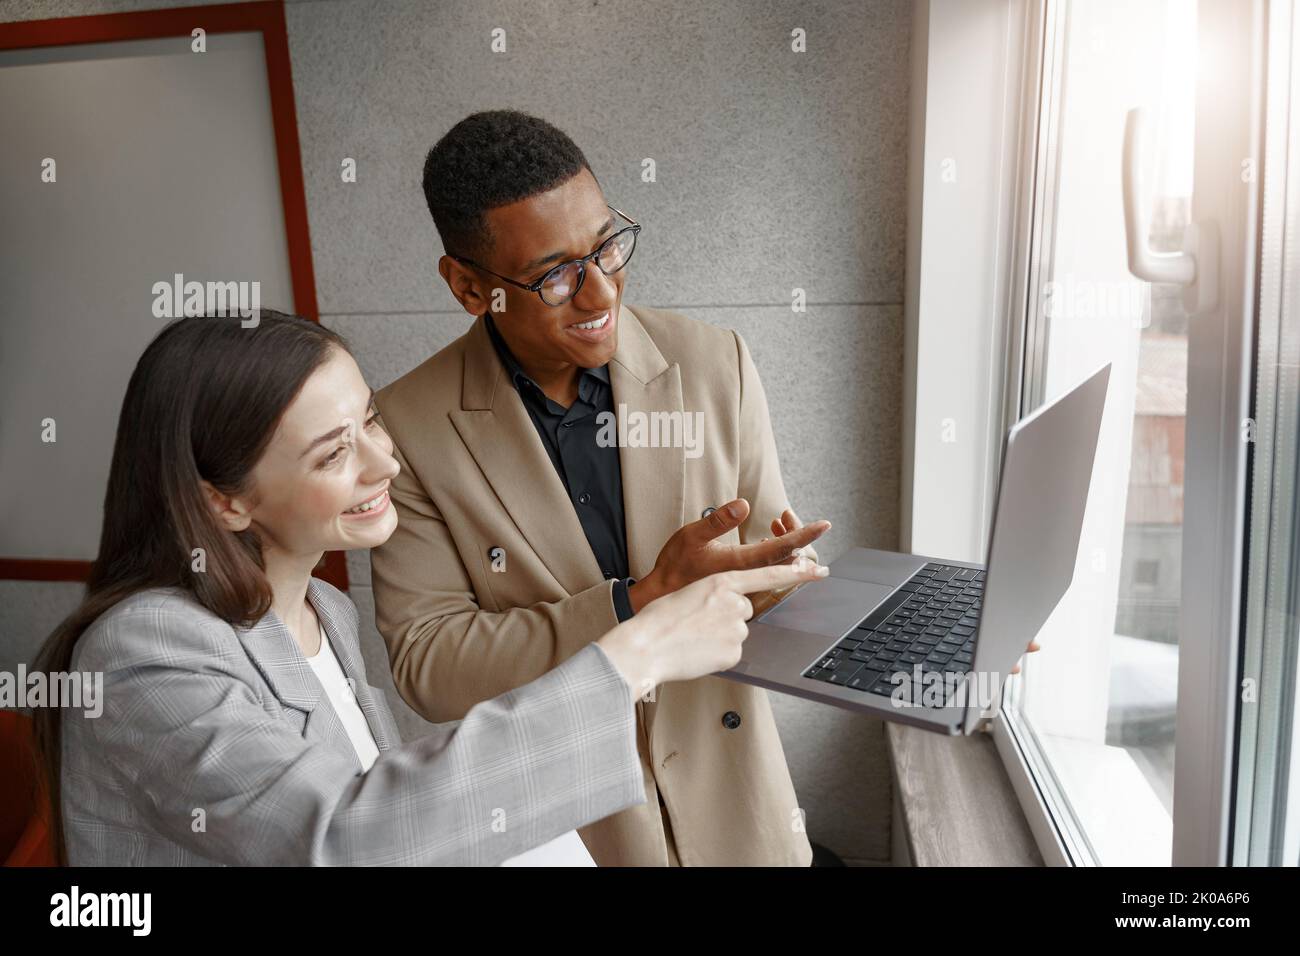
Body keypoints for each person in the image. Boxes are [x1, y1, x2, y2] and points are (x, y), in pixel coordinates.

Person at [31, 310, 828, 866]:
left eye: (371, 421)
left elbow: (388, 800)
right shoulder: (141, 652)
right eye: (333, 453)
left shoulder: (325, 613)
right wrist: (633, 651)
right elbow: (342, 839)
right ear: (223, 499)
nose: (386, 463)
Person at [370, 110, 833, 866]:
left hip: (742, 816)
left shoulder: (717, 363)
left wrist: (924, 647)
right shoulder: (407, 426)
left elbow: (777, 577)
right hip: (565, 832)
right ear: (467, 285)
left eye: (607, 247)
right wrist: (635, 605)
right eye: (555, 274)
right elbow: (430, 666)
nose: (600, 294)